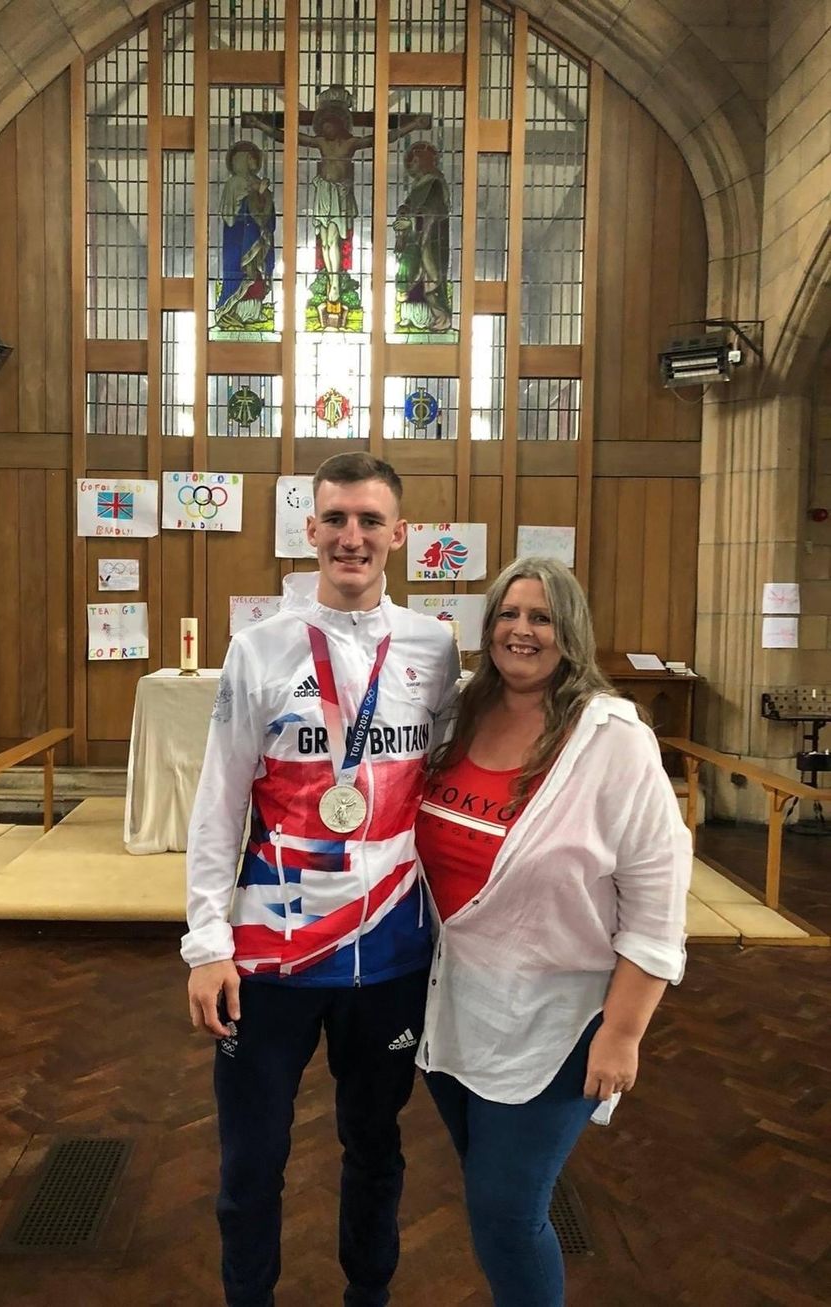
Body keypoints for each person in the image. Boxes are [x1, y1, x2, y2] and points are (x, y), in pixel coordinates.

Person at [181, 452, 460, 1307]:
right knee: (251, 1162)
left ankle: (367, 1296)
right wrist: (206, 940)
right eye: (336, 518)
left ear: (399, 534)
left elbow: (447, 787)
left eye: (370, 520)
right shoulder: (259, 648)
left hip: (390, 952)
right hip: (270, 953)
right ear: (310, 529)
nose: (352, 536)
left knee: (376, 1150)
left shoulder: (434, 646)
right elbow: (219, 801)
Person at [414, 556, 691, 1307]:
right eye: (508, 613)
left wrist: (624, 1031)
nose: (522, 630)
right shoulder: (461, 710)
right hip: (455, 1005)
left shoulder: (613, 739)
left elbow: (660, 905)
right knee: (486, 1193)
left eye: (541, 616)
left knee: (507, 1212)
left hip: (561, 1019)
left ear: (571, 632)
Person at [245, 86, 427, 312]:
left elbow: (383, 138)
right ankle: (333, 281)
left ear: (339, 124)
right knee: (326, 240)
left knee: (334, 239)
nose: (325, 128)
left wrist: (413, 126)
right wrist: (260, 124)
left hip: (341, 195)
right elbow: (287, 137)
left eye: (329, 124)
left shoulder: (350, 143)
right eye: (323, 125)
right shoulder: (321, 143)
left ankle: (335, 283)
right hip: (323, 193)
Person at [215, 140, 276, 331]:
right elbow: (234, 213)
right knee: (240, 273)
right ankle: (232, 313)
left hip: (255, 236)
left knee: (256, 272)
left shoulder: (255, 182)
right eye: (250, 158)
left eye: (255, 159)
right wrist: (257, 193)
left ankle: (252, 314)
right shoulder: (235, 183)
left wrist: (263, 194)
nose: (254, 162)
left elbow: (265, 213)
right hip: (239, 237)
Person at [392, 140, 452, 333]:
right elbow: (410, 207)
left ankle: (440, 317)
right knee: (408, 274)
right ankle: (412, 317)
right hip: (416, 238)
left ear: (425, 161)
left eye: (415, 161)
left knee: (431, 276)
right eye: (410, 162)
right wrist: (404, 213)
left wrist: (411, 220)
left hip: (431, 238)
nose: (411, 166)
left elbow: (431, 212)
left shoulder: (434, 183)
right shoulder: (419, 185)